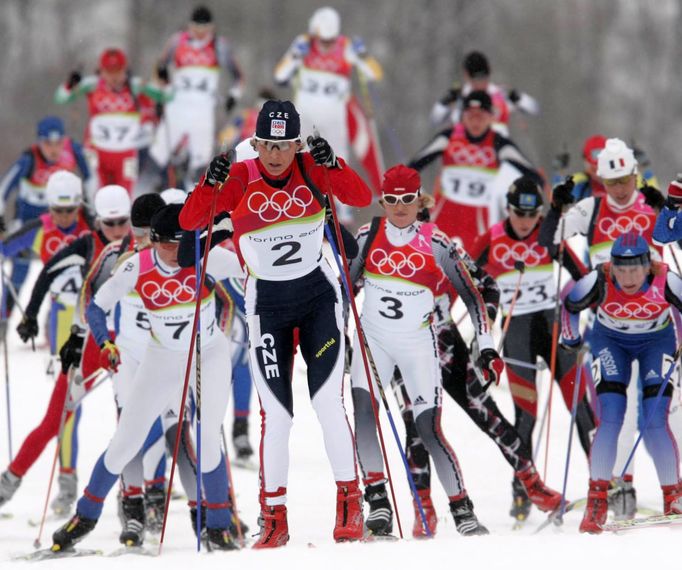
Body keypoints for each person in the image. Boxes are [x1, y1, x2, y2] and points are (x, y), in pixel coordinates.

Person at [179, 99, 372, 547]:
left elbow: (361, 197)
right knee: (278, 417)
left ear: (297, 144)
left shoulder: (311, 167)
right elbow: (190, 221)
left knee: (328, 405)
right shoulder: (241, 177)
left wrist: (335, 164)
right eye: (267, 144)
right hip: (267, 307)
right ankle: (274, 517)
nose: (275, 155)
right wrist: (209, 185)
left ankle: (350, 502)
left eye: (284, 146)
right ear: (256, 143)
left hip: (319, 300)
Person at [50, 204, 244, 552]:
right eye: (172, 245)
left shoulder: (206, 257)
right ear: (154, 242)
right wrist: (104, 342)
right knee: (126, 440)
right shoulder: (135, 266)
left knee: (206, 437)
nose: (180, 253)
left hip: (208, 355)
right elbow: (97, 306)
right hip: (162, 359)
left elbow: (254, 267)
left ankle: (219, 525)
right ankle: (85, 516)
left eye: (185, 243)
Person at [349, 164, 504, 537]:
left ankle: (462, 508)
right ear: (382, 201)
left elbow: (475, 297)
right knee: (363, 412)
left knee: (427, 427)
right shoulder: (368, 235)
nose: (399, 207)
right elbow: (346, 288)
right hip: (374, 342)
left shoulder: (437, 242)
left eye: (407, 199)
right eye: (391, 200)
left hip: (419, 345)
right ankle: (378, 501)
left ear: (420, 200)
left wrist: (485, 348)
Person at [0, 185, 132, 517]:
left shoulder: (140, 242)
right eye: (110, 223)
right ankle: (9, 481)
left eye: (122, 222)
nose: (116, 230)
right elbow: (45, 274)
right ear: (99, 220)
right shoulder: (87, 243)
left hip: (130, 344)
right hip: (89, 342)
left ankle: (136, 497)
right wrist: (29, 314)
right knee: (56, 418)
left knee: (132, 420)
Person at [470, 175, 594, 521]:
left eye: (532, 214)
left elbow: (583, 274)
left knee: (580, 405)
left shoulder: (547, 234)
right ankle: (523, 490)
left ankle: (603, 484)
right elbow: (464, 279)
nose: (525, 222)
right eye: (518, 214)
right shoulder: (492, 239)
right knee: (527, 415)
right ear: (508, 210)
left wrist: (591, 304)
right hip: (517, 333)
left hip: (553, 326)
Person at [561, 232, 682, 533]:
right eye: (621, 269)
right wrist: (571, 338)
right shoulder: (599, 279)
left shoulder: (667, 279)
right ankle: (597, 499)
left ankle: (674, 497)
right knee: (611, 416)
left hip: (657, 342)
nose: (627, 277)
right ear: (612, 265)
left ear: (648, 266)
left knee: (655, 419)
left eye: (635, 269)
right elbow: (570, 305)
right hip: (610, 341)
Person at [409, 90, 543, 252]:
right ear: (462, 117)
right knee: (428, 258)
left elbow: (532, 175)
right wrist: (418, 201)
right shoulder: (448, 137)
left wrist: (528, 205)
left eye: (481, 116)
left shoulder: (498, 143)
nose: (475, 122)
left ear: (491, 117)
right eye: (470, 116)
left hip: (477, 218)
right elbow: (411, 168)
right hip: (444, 212)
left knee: (473, 268)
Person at [274, 6, 384, 197]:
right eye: (322, 40)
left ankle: (341, 208)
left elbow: (375, 74)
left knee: (336, 161)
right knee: (299, 157)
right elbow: (279, 74)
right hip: (305, 114)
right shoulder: (304, 43)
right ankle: (294, 197)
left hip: (334, 115)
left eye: (330, 40)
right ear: (315, 33)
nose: (326, 45)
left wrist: (364, 55)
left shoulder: (346, 46)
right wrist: (294, 56)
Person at [0, 117, 90, 317]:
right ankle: (3, 320)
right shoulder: (29, 159)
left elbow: (90, 178)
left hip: (60, 225)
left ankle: (54, 324)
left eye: (58, 143)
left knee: (63, 272)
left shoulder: (72, 151)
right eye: (48, 144)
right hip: (28, 226)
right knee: (19, 273)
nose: (54, 149)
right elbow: (3, 190)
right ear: (39, 142)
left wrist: (91, 210)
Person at [55, 47, 170, 195]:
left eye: (118, 72)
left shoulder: (134, 85)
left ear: (125, 70)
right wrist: (70, 85)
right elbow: (60, 98)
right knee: (96, 194)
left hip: (126, 154)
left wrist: (164, 81)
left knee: (125, 197)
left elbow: (167, 96)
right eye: (109, 72)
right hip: (97, 151)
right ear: (101, 71)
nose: (114, 77)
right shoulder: (92, 85)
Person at [150, 5, 244, 186]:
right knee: (159, 152)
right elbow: (159, 68)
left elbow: (238, 76)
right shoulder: (178, 41)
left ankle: (194, 194)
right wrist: (159, 96)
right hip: (177, 105)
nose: (200, 33)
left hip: (203, 108)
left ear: (211, 28)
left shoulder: (219, 45)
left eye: (204, 29)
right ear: (189, 26)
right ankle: (153, 191)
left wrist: (233, 95)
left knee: (201, 159)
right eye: (196, 28)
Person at [0, 171, 91, 353]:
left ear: (79, 206)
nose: (64, 216)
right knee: (62, 367)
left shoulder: (92, 225)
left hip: (93, 308)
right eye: (58, 210)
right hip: (62, 307)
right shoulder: (40, 229)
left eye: (70, 210)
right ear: (49, 206)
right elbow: (5, 248)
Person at [430, 50, 539, 136]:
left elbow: (533, 108)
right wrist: (446, 100)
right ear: (467, 76)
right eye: (476, 80)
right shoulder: (460, 96)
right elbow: (435, 119)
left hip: (497, 154)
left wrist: (517, 97)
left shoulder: (500, 94)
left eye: (484, 78)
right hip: (466, 153)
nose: (481, 84)